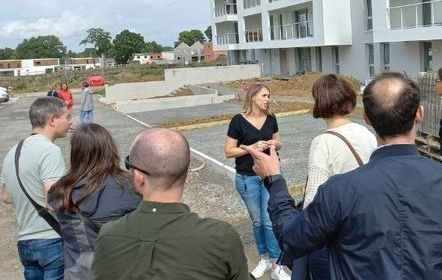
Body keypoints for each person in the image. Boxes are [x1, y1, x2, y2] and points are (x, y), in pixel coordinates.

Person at [244, 72, 442, 280]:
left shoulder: (339, 190)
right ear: (420, 114)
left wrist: (275, 180)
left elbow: (293, 238)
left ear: (367, 118)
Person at [92, 127, 250, 280]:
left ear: (140, 177)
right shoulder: (221, 237)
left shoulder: (108, 236)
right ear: (185, 174)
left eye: (129, 166)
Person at [301, 74, 377, 280]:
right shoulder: (367, 133)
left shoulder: (322, 143)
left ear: (320, 102)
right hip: (365, 230)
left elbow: (312, 203)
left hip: (334, 236)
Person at [47, 123, 141, 280]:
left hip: (78, 271)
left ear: (76, 153)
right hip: (122, 269)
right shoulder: (130, 186)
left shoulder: (60, 190)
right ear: (110, 148)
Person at [1, 97, 73, 280]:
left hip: (25, 241)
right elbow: (53, 201)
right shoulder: (49, 151)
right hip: (51, 240)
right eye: (67, 116)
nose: (70, 122)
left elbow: (6, 196)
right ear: (52, 119)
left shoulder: (13, 152)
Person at [224, 84, 289, 280]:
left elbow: (279, 141)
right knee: (258, 221)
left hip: (269, 176)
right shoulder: (238, 121)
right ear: (252, 97)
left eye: (269, 95)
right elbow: (229, 151)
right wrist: (251, 147)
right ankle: (264, 258)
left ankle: (276, 264)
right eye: (264, 95)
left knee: (270, 220)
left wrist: (273, 144)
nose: (267, 99)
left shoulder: (271, 118)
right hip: (247, 178)